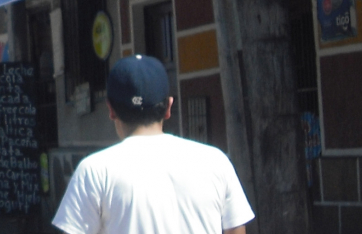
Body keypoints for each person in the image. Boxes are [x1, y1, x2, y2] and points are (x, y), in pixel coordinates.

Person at [52, 55, 254, 234]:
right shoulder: (216, 161)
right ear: (168, 107)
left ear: (111, 110)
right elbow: (236, 229)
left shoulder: (94, 171)